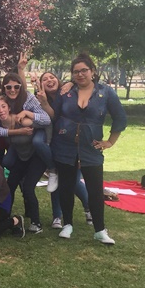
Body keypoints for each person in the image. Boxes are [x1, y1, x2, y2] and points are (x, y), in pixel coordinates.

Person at [52, 54, 127, 245]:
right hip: (65, 146)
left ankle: (100, 230)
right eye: (76, 71)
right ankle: (67, 224)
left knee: (95, 189)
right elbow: (54, 115)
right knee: (66, 187)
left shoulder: (106, 92)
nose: (80, 74)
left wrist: (110, 142)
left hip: (91, 148)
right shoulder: (67, 92)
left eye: (84, 70)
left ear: (92, 71)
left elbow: (120, 117)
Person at [35, 71, 91, 229]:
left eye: (52, 77)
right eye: (44, 79)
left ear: (58, 80)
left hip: (73, 143)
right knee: (57, 179)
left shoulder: (70, 93)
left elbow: (83, 77)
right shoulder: (39, 98)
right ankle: (57, 216)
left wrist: (71, 82)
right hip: (56, 144)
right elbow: (51, 118)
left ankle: (89, 208)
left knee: (73, 181)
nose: (49, 80)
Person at [0, 94, 48, 234]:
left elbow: (47, 123)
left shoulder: (22, 120)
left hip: (36, 157)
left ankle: (36, 223)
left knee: (28, 188)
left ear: (9, 108)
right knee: (9, 186)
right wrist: (17, 132)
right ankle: (5, 217)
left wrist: (47, 143)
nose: (0, 110)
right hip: (21, 158)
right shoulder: (0, 123)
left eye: (3, 106)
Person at [0, 72, 57, 192]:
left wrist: (26, 114)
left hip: (38, 129)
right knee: (7, 162)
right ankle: (22, 176)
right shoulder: (3, 102)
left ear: (21, 87)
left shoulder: (28, 98)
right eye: (8, 87)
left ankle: (53, 170)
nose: (12, 90)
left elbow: (46, 120)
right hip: (19, 140)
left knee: (38, 142)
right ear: (4, 88)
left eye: (16, 87)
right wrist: (17, 130)